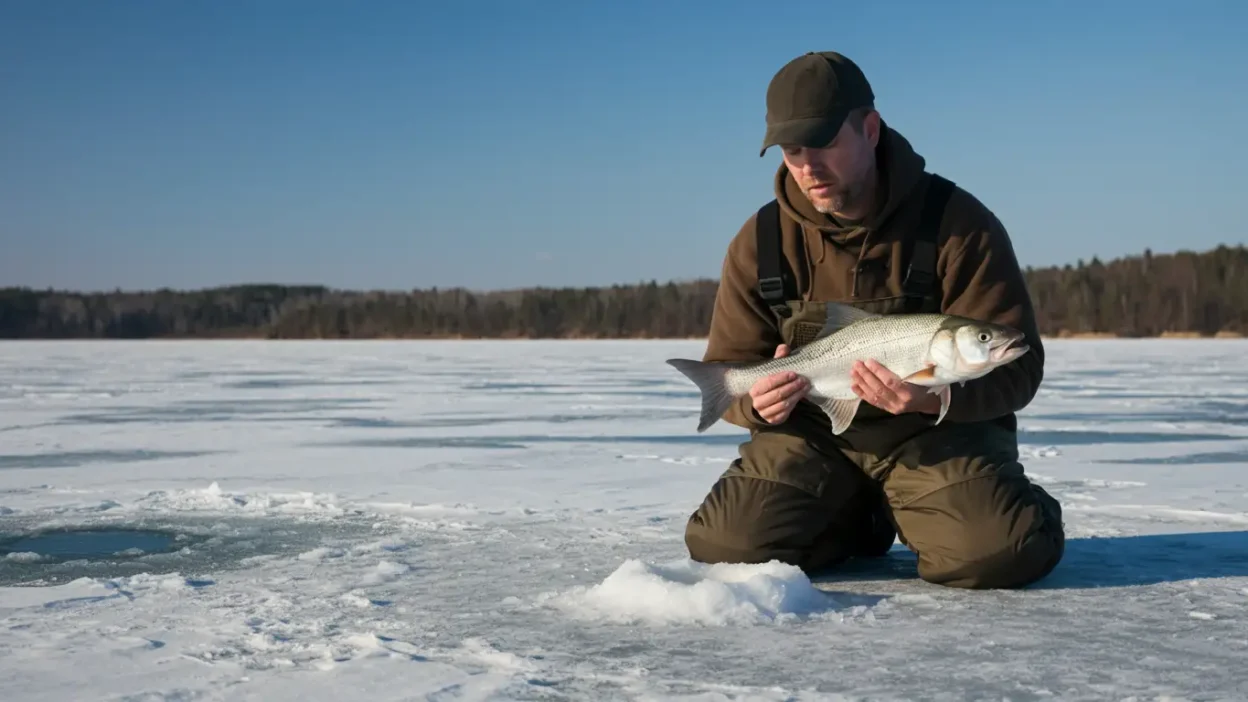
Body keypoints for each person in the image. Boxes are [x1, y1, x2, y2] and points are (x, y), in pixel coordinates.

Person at [684, 51, 1065, 589]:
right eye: (793, 151)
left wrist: (934, 398)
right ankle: (857, 518)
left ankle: (1006, 504)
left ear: (869, 129)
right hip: (816, 439)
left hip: (933, 437)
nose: (808, 166)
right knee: (727, 549)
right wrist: (756, 402)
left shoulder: (959, 224)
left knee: (997, 554)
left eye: (824, 145)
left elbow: (1019, 370)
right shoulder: (761, 240)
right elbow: (729, 367)